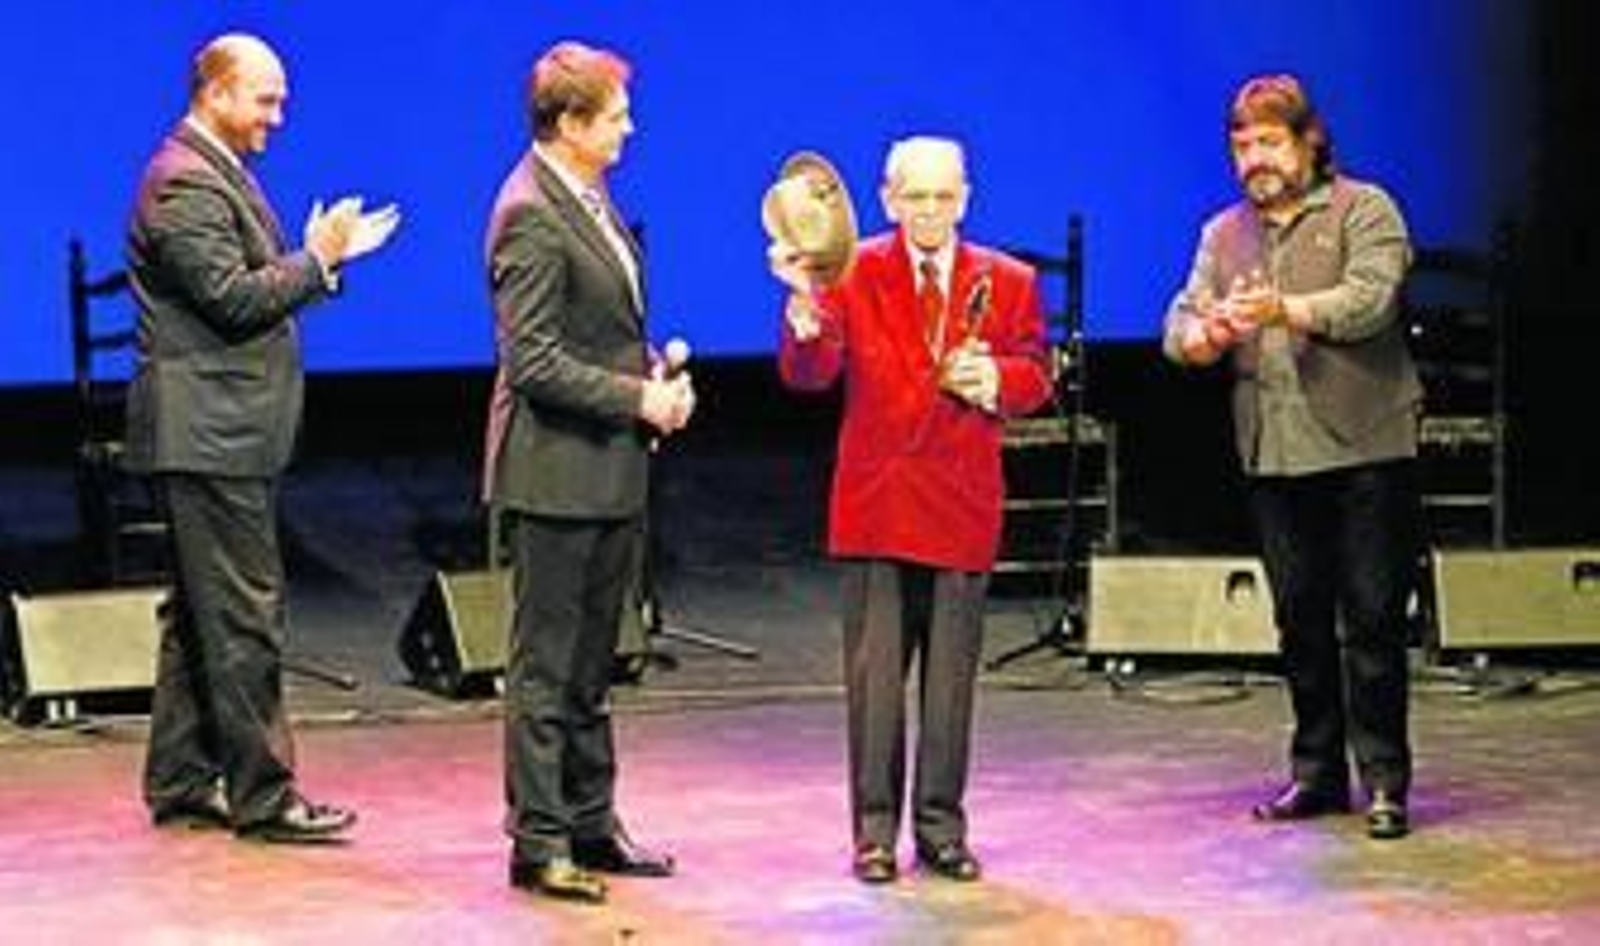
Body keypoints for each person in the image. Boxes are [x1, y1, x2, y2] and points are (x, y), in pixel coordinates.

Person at [126, 33, 399, 843]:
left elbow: (242, 291)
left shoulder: (212, 171)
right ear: (215, 93)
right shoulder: (182, 183)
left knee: (198, 616)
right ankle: (264, 794)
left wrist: (317, 262)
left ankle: (180, 778)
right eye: (265, 98)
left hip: (217, 432)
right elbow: (231, 301)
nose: (278, 115)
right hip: (208, 436)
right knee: (244, 615)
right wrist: (317, 259)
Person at [770, 136, 1053, 883]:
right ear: (889, 199)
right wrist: (803, 312)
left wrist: (993, 375)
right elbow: (810, 373)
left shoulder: (1010, 280)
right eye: (914, 197)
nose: (929, 211)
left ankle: (940, 829)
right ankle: (872, 834)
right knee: (875, 684)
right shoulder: (853, 269)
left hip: (960, 502)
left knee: (951, 684)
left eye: (943, 196)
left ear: (964, 198)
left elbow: (1037, 375)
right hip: (878, 505)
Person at [1162, 74, 1420, 840]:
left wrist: (1288, 310)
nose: (1254, 159)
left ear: (1309, 141)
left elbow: (1371, 300)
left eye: (1269, 142)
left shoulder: (1363, 210)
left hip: (1365, 446)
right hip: (1272, 453)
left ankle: (1384, 780)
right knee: (1299, 620)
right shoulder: (1223, 234)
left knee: (1371, 619)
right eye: (1241, 145)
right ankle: (1317, 773)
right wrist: (1202, 337)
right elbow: (1180, 318)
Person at [482, 40, 693, 904]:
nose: (629, 127)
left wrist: (653, 372)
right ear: (569, 124)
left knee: (595, 662)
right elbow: (531, 361)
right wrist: (636, 399)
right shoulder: (529, 210)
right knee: (546, 666)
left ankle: (591, 821)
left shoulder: (587, 194)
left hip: (606, 469)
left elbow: (593, 328)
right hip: (556, 473)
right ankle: (539, 841)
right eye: (615, 115)